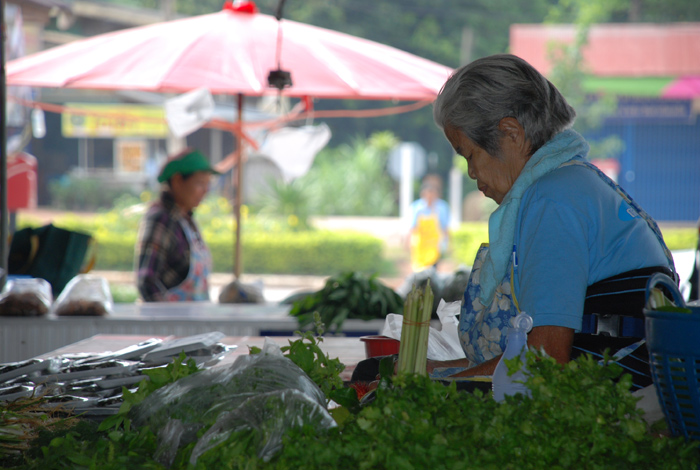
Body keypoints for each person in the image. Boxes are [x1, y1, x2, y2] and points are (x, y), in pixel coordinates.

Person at [354, 54, 676, 390]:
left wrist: (430, 383)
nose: (472, 173)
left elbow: (545, 361)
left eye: (469, 154)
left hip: (621, 398)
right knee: (378, 372)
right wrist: (434, 372)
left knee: (388, 393)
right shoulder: (574, 182)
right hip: (611, 380)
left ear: (511, 133)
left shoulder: (552, 198)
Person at [135, 148, 220, 302]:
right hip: (171, 323)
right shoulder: (161, 219)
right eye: (200, 184)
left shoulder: (186, 220)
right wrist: (167, 323)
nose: (205, 191)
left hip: (193, 321)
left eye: (208, 184)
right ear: (177, 181)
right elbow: (146, 281)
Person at [408, 174, 450, 272]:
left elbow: (445, 227)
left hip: (434, 246)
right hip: (420, 246)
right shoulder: (416, 207)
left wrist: (446, 243)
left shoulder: (442, 207)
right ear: (423, 194)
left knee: (432, 272)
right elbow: (412, 227)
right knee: (419, 272)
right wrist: (409, 241)